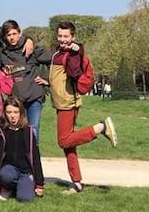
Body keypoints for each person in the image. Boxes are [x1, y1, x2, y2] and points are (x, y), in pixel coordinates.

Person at [49, 20, 118, 195]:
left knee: (64, 140)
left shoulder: (72, 54)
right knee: (68, 145)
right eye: (60, 35)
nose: (62, 39)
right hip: (61, 102)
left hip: (68, 103)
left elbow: (74, 73)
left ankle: (100, 128)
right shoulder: (58, 52)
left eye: (66, 36)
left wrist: (76, 53)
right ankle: (77, 182)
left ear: (73, 37)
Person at [0, 20, 51, 141]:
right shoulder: (2, 54)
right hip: (16, 100)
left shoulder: (31, 50)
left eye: (14, 33)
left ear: (19, 33)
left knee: (33, 130)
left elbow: (55, 59)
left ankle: (33, 159)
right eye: (8, 35)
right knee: (18, 131)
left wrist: (48, 80)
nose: (12, 37)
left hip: (34, 97)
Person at [0, 98, 45, 202]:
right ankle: (7, 188)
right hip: (8, 169)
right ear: (5, 114)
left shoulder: (28, 131)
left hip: (25, 172)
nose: (12, 115)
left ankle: (22, 185)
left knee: (25, 198)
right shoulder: (0, 131)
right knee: (6, 175)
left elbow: (35, 158)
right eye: (9, 112)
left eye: (16, 112)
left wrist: (39, 184)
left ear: (21, 113)